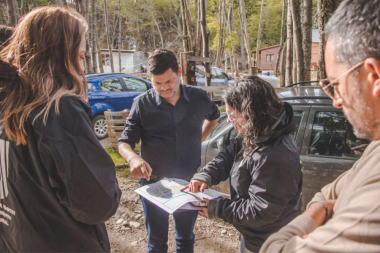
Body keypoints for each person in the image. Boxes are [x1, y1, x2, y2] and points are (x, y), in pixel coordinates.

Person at [259, 0, 380, 252]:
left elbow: (275, 248)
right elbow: (328, 192)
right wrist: (324, 205)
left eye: (335, 85)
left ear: (373, 77)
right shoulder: (375, 150)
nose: (336, 101)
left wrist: (318, 212)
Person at [0, 7, 121, 252]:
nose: (82, 68)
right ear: (59, 56)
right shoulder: (58, 109)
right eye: (79, 56)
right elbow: (98, 204)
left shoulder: (9, 102)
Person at [182, 76, 302, 253]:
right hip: (253, 234)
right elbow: (230, 155)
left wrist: (218, 208)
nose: (229, 121)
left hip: (270, 242)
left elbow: (261, 211)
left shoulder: (275, 155)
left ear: (251, 113)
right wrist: (205, 174)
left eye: (233, 116)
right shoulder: (259, 131)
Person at [118, 49, 220, 252]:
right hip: (154, 184)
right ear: (151, 79)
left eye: (169, 82)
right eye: (157, 83)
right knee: (156, 242)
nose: (164, 88)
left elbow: (214, 117)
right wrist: (133, 159)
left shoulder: (199, 98)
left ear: (179, 72)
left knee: (186, 239)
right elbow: (124, 142)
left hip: (189, 183)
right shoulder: (142, 104)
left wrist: (197, 139)